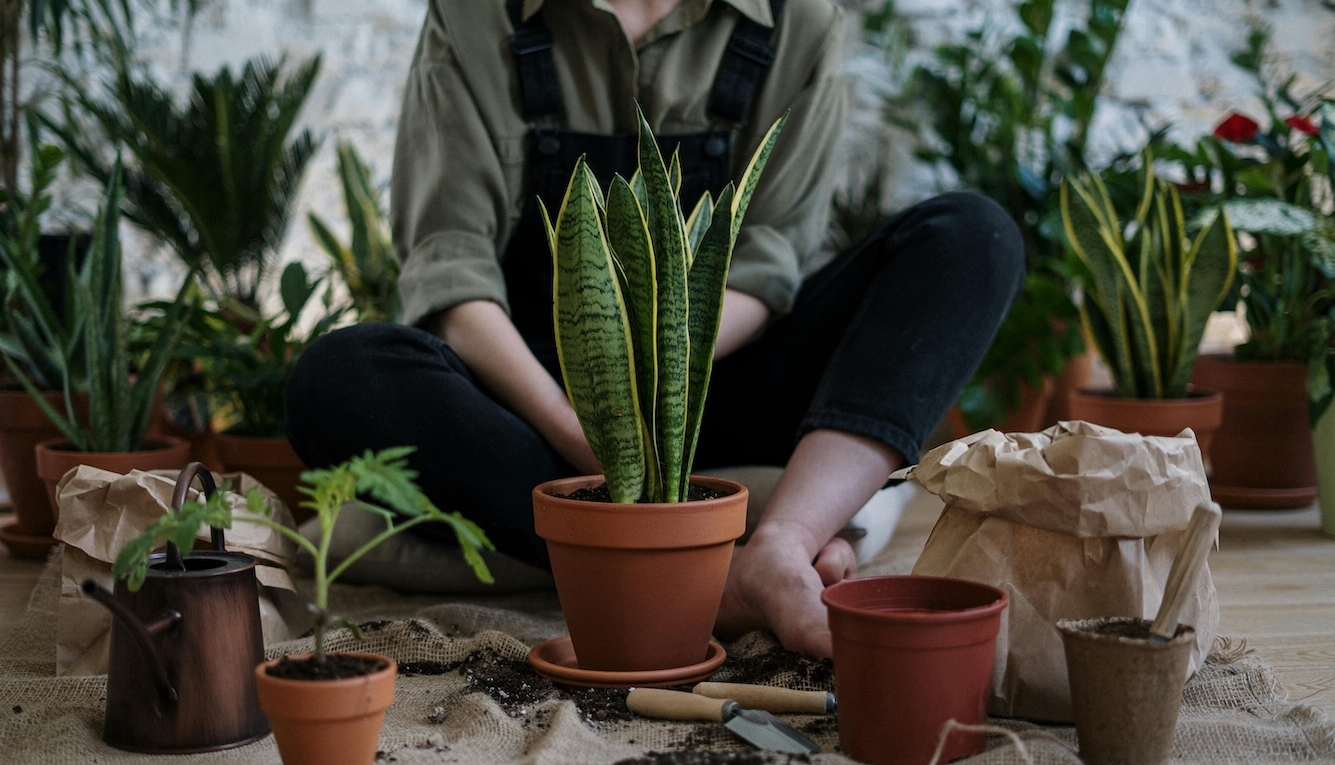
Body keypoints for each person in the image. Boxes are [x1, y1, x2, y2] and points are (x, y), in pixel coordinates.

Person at [285, 0, 1023, 659]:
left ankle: (779, 544)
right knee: (339, 375)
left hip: (722, 377)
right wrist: (589, 429)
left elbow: (769, 265)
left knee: (973, 237)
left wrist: (666, 381)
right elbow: (452, 271)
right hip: (542, 411)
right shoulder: (479, 14)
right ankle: (706, 566)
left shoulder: (796, 17)